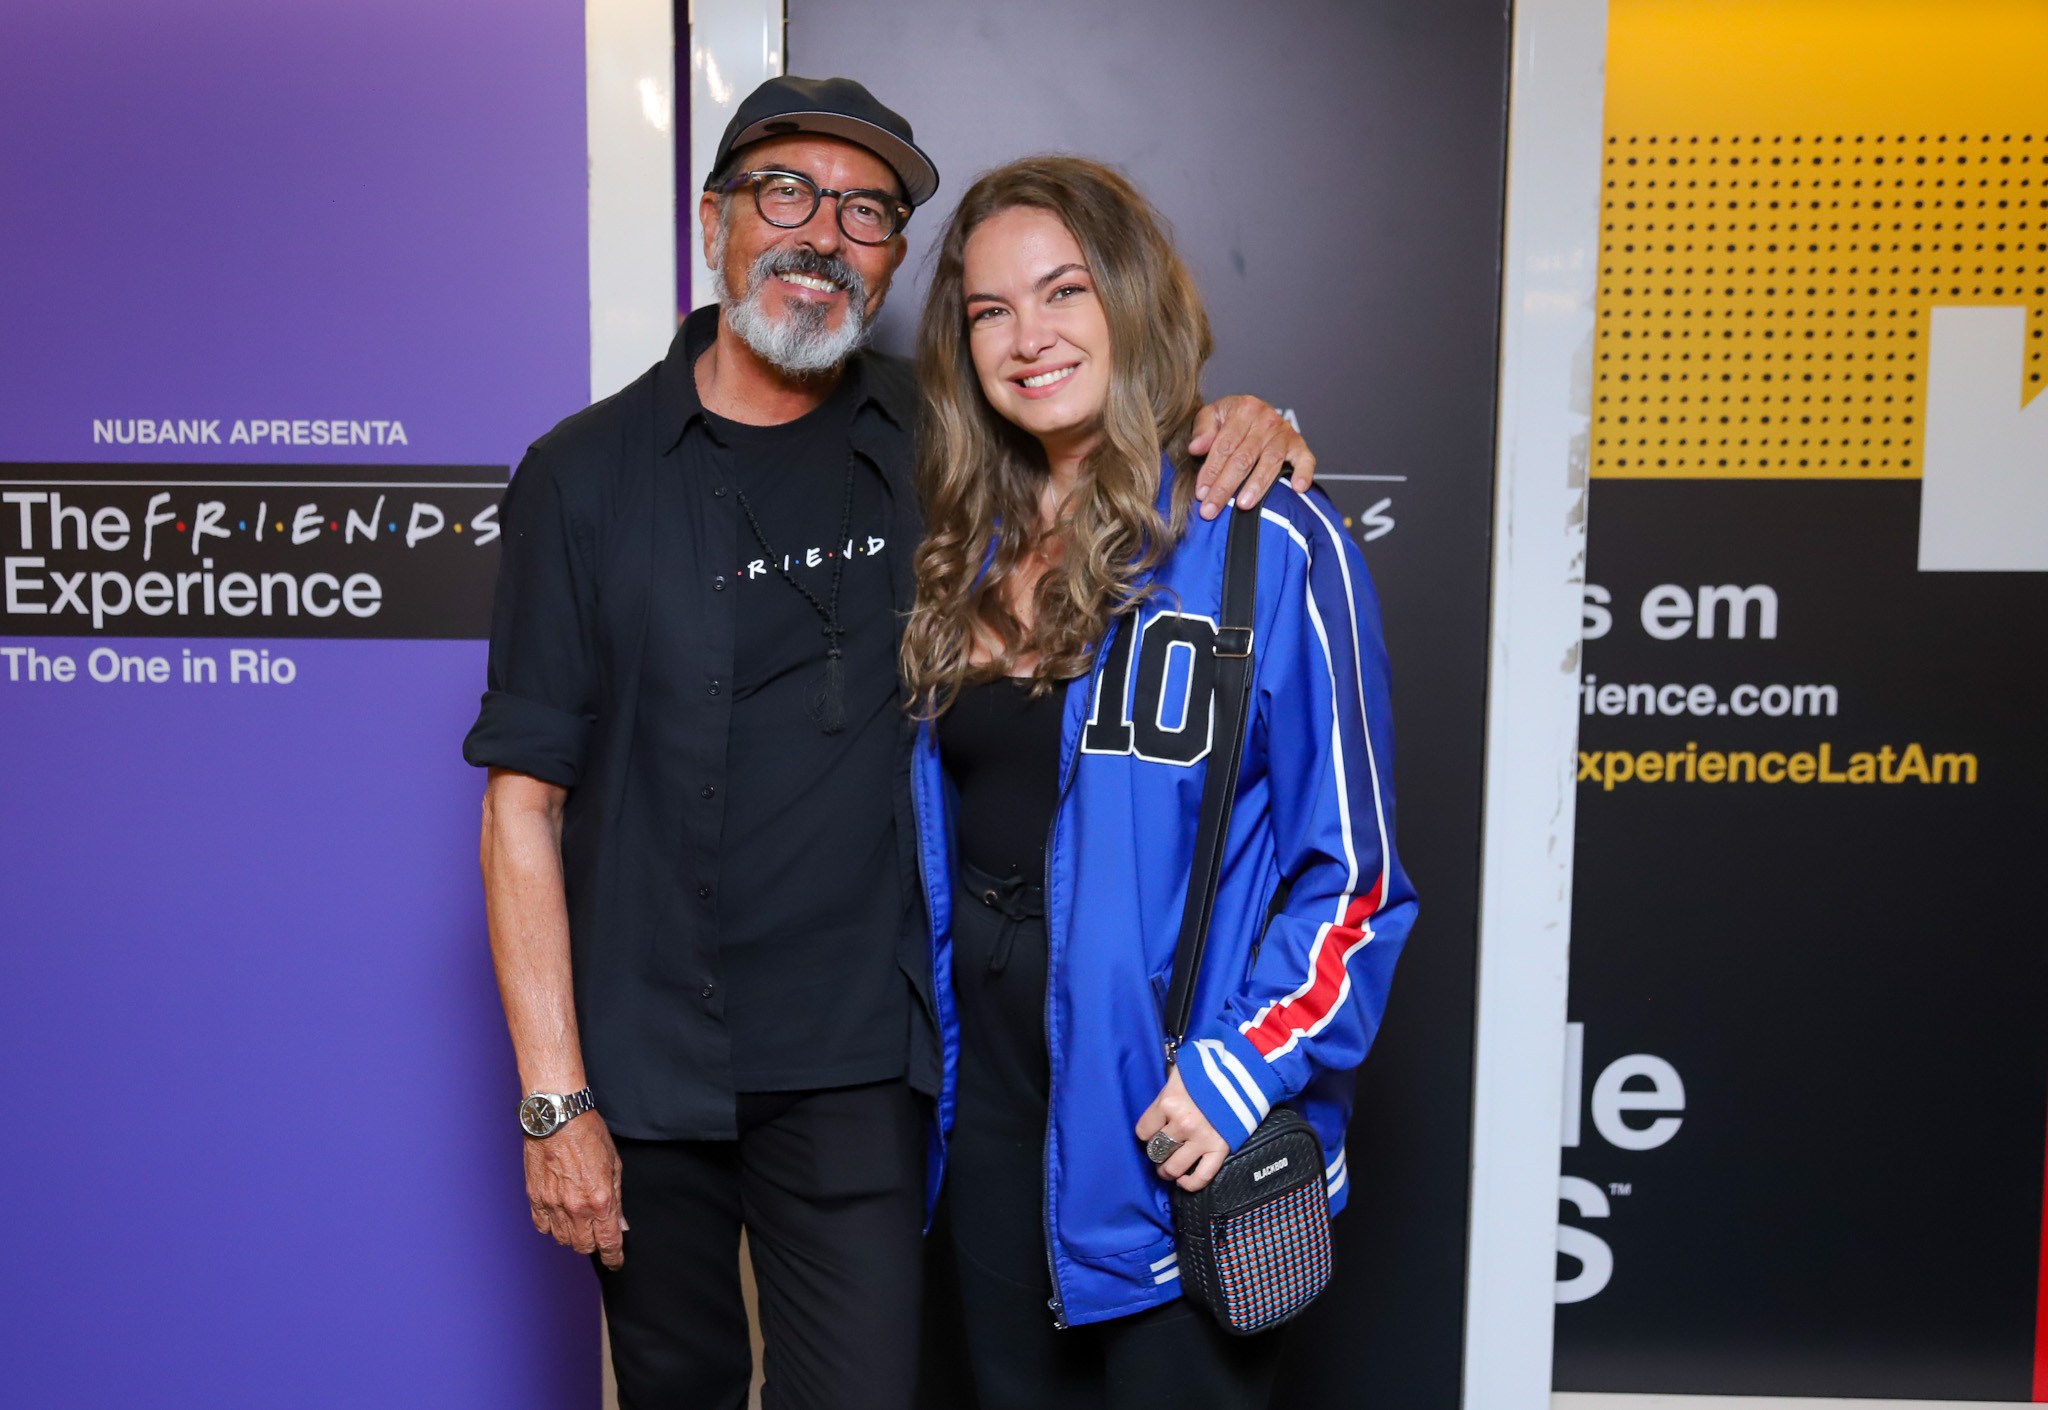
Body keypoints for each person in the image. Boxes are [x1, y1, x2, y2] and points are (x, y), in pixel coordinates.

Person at [463, 76, 1316, 1410]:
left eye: (864, 212)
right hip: (640, 1068)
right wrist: (553, 1100)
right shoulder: (580, 475)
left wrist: (1242, 422)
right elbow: (523, 804)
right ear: (713, 223)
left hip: (865, 1068)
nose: (823, 233)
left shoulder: (948, 449)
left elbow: (1113, 451)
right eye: (786, 194)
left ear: (894, 262)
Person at [898, 157, 1416, 1409]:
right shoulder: (959, 546)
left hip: (1172, 1132)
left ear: (1128, 295)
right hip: (988, 1126)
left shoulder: (1268, 539)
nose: (1027, 337)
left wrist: (1236, 1074)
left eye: (1062, 290)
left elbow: (1355, 880)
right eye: (989, 310)